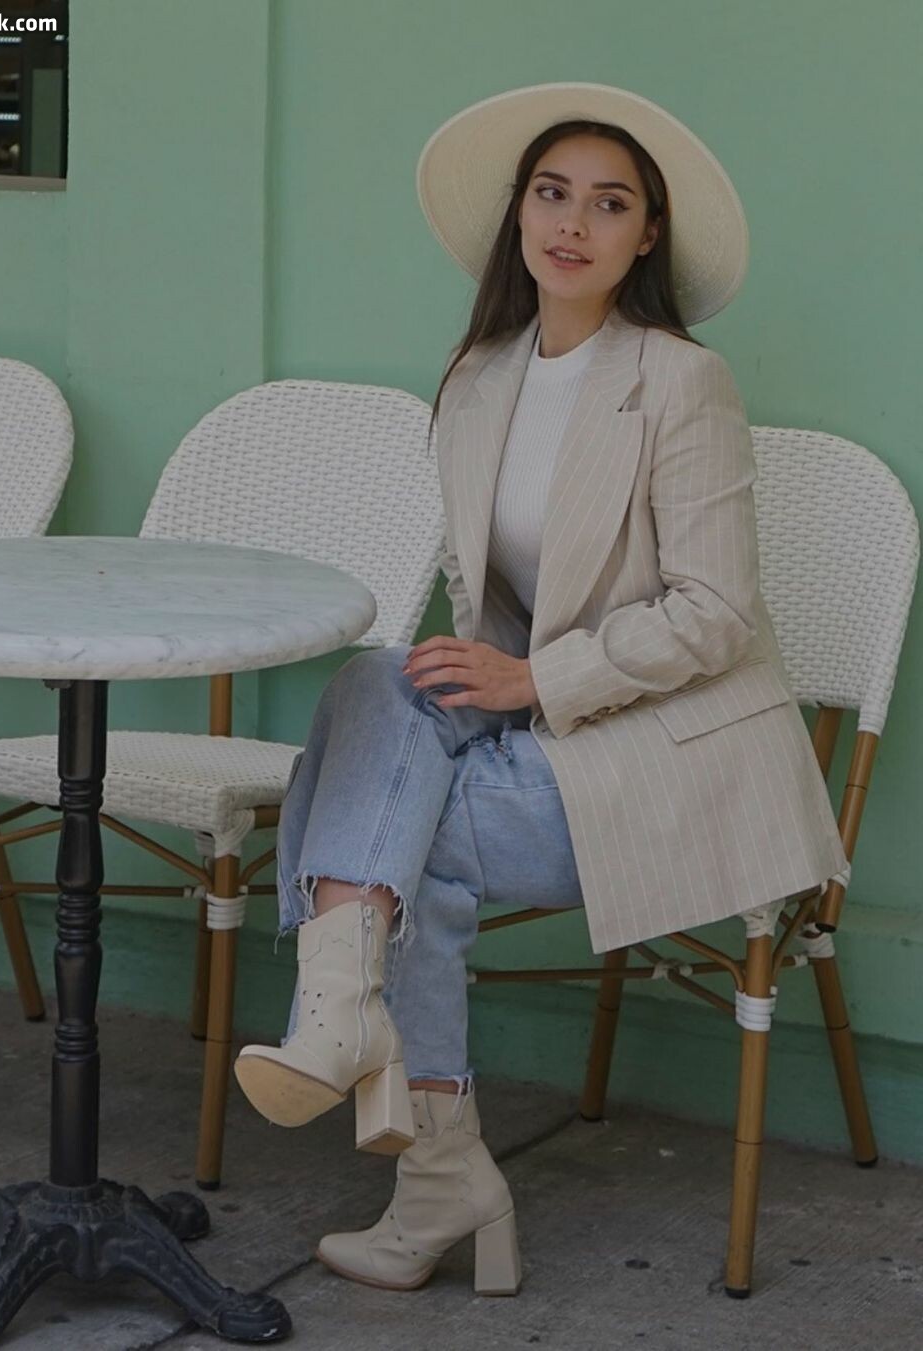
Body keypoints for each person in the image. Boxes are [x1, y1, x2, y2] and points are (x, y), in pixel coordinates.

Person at [232, 83, 850, 1297]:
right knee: (376, 679)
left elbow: (716, 613)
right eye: (553, 194)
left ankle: (398, 1107)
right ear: (518, 212)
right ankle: (366, 1042)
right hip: (547, 733)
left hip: (672, 759)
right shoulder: (478, 380)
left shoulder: (681, 380)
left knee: (393, 831)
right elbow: (501, 613)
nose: (573, 223)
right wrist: (488, 685)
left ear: (646, 235)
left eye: (609, 204)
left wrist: (529, 679)